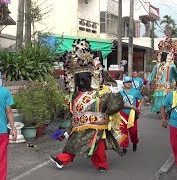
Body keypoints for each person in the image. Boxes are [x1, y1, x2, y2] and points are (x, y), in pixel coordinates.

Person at [49, 39, 124, 173]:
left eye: (84, 79)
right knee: (73, 144)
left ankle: (101, 164)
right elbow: (71, 114)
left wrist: (115, 92)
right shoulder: (74, 97)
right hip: (79, 127)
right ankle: (62, 159)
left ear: (92, 79)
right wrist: (66, 129)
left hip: (97, 126)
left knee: (97, 146)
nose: (82, 82)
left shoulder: (100, 94)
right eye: (79, 80)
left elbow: (115, 106)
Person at [119, 76, 143, 155]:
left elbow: (141, 98)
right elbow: (120, 103)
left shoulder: (135, 92)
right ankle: (124, 147)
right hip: (123, 113)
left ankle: (135, 142)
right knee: (123, 130)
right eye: (127, 82)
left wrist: (139, 106)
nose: (129, 83)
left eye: (130, 82)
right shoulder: (120, 93)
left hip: (132, 114)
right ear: (124, 84)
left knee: (133, 131)